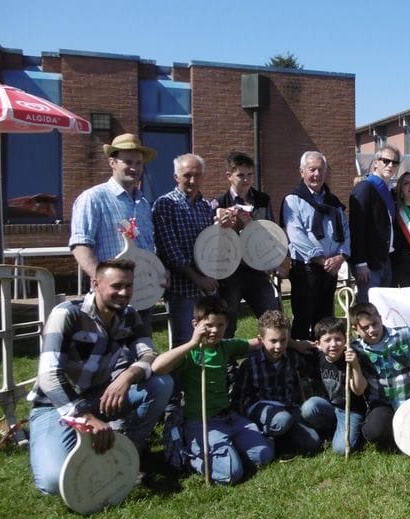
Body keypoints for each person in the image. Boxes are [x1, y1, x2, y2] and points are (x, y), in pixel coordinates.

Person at [28, 259, 173, 495]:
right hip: (55, 407)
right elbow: (49, 376)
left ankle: (125, 449)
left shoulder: (129, 316)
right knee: (54, 482)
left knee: (161, 383)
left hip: (99, 398)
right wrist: (85, 417)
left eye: (129, 286)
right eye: (116, 286)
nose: (124, 293)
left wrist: (127, 376)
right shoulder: (68, 314)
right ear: (95, 283)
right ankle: (59, 438)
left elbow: (149, 354)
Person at [151, 296, 274, 485]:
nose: (215, 330)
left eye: (221, 325)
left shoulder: (225, 346)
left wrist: (293, 343)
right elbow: (157, 367)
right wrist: (192, 343)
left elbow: (256, 343)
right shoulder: (189, 352)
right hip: (201, 421)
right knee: (232, 475)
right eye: (208, 325)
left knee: (263, 456)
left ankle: (230, 449)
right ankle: (192, 455)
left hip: (228, 417)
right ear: (195, 324)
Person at [153, 154, 232, 347]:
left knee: (209, 341)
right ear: (176, 177)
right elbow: (170, 251)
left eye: (197, 175)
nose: (192, 180)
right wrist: (199, 279)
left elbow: (213, 246)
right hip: (182, 289)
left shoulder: (206, 207)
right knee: (185, 342)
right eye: (187, 175)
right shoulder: (165, 204)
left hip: (207, 287)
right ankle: (182, 378)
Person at [212, 152, 282, 338]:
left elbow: (270, 231)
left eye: (250, 174)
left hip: (257, 270)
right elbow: (214, 240)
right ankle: (228, 363)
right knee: (228, 322)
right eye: (241, 175)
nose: (246, 180)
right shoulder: (218, 203)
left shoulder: (262, 200)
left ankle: (275, 356)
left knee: (272, 316)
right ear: (229, 176)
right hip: (230, 272)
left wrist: (272, 261)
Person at [69, 134, 157, 282]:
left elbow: (149, 247)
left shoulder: (144, 204)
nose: (134, 168)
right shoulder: (93, 198)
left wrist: (159, 273)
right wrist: (102, 281)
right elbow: (81, 245)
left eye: (139, 163)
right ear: (112, 162)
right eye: (128, 162)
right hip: (111, 296)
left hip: (144, 292)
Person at [283, 151, 350, 340]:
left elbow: (345, 230)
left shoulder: (334, 202)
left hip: (331, 269)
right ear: (302, 172)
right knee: (303, 320)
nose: (317, 174)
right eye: (312, 169)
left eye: (321, 169)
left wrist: (342, 256)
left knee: (325, 321)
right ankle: (301, 365)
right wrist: (321, 259)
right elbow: (295, 235)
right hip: (307, 270)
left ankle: (322, 363)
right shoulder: (293, 200)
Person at [233, 310, 320, 454]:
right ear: (261, 339)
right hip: (263, 409)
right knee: (282, 420)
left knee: (313, 443)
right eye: (273, 341)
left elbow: (313, 372)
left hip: (288, 407)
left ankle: (282, 438)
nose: (278, 346)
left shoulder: (292, 358)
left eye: (283, 340)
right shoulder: (250, 364)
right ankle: (265, 436)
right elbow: (239, 398)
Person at [350, 302, 410, 450]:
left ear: (381, 319)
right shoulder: (356, 349)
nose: (372, 330)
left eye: (375, 324)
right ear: (355, 329)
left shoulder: (402, 335)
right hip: (382, 402)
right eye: (365, 327)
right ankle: (390, 431)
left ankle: (406, 429)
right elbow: (358, 389)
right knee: (374, 433)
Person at [300, 317, 371, 455]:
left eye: (338, 339)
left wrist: (355, 365)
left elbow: (359, 390)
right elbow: (290, 345)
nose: (333, 344)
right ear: (318, 344)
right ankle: (330, 429)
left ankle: (355, 430)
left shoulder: (352, 358)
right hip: (329, 406)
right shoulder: (316, 357)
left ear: (345, 340)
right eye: (327, 340)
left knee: (340, 449)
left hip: (351, 409)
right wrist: (295, 344)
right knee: (309, 407)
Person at [349, 145, 400, 303]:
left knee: (385, 310)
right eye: (386, 161)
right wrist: (360, 262)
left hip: (385, 259)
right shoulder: (365, 187)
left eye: (395, 162)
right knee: (369, 310)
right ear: (376, 162)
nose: (390, 165)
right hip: (369, 264)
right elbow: (357, 227)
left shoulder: (389, 191)